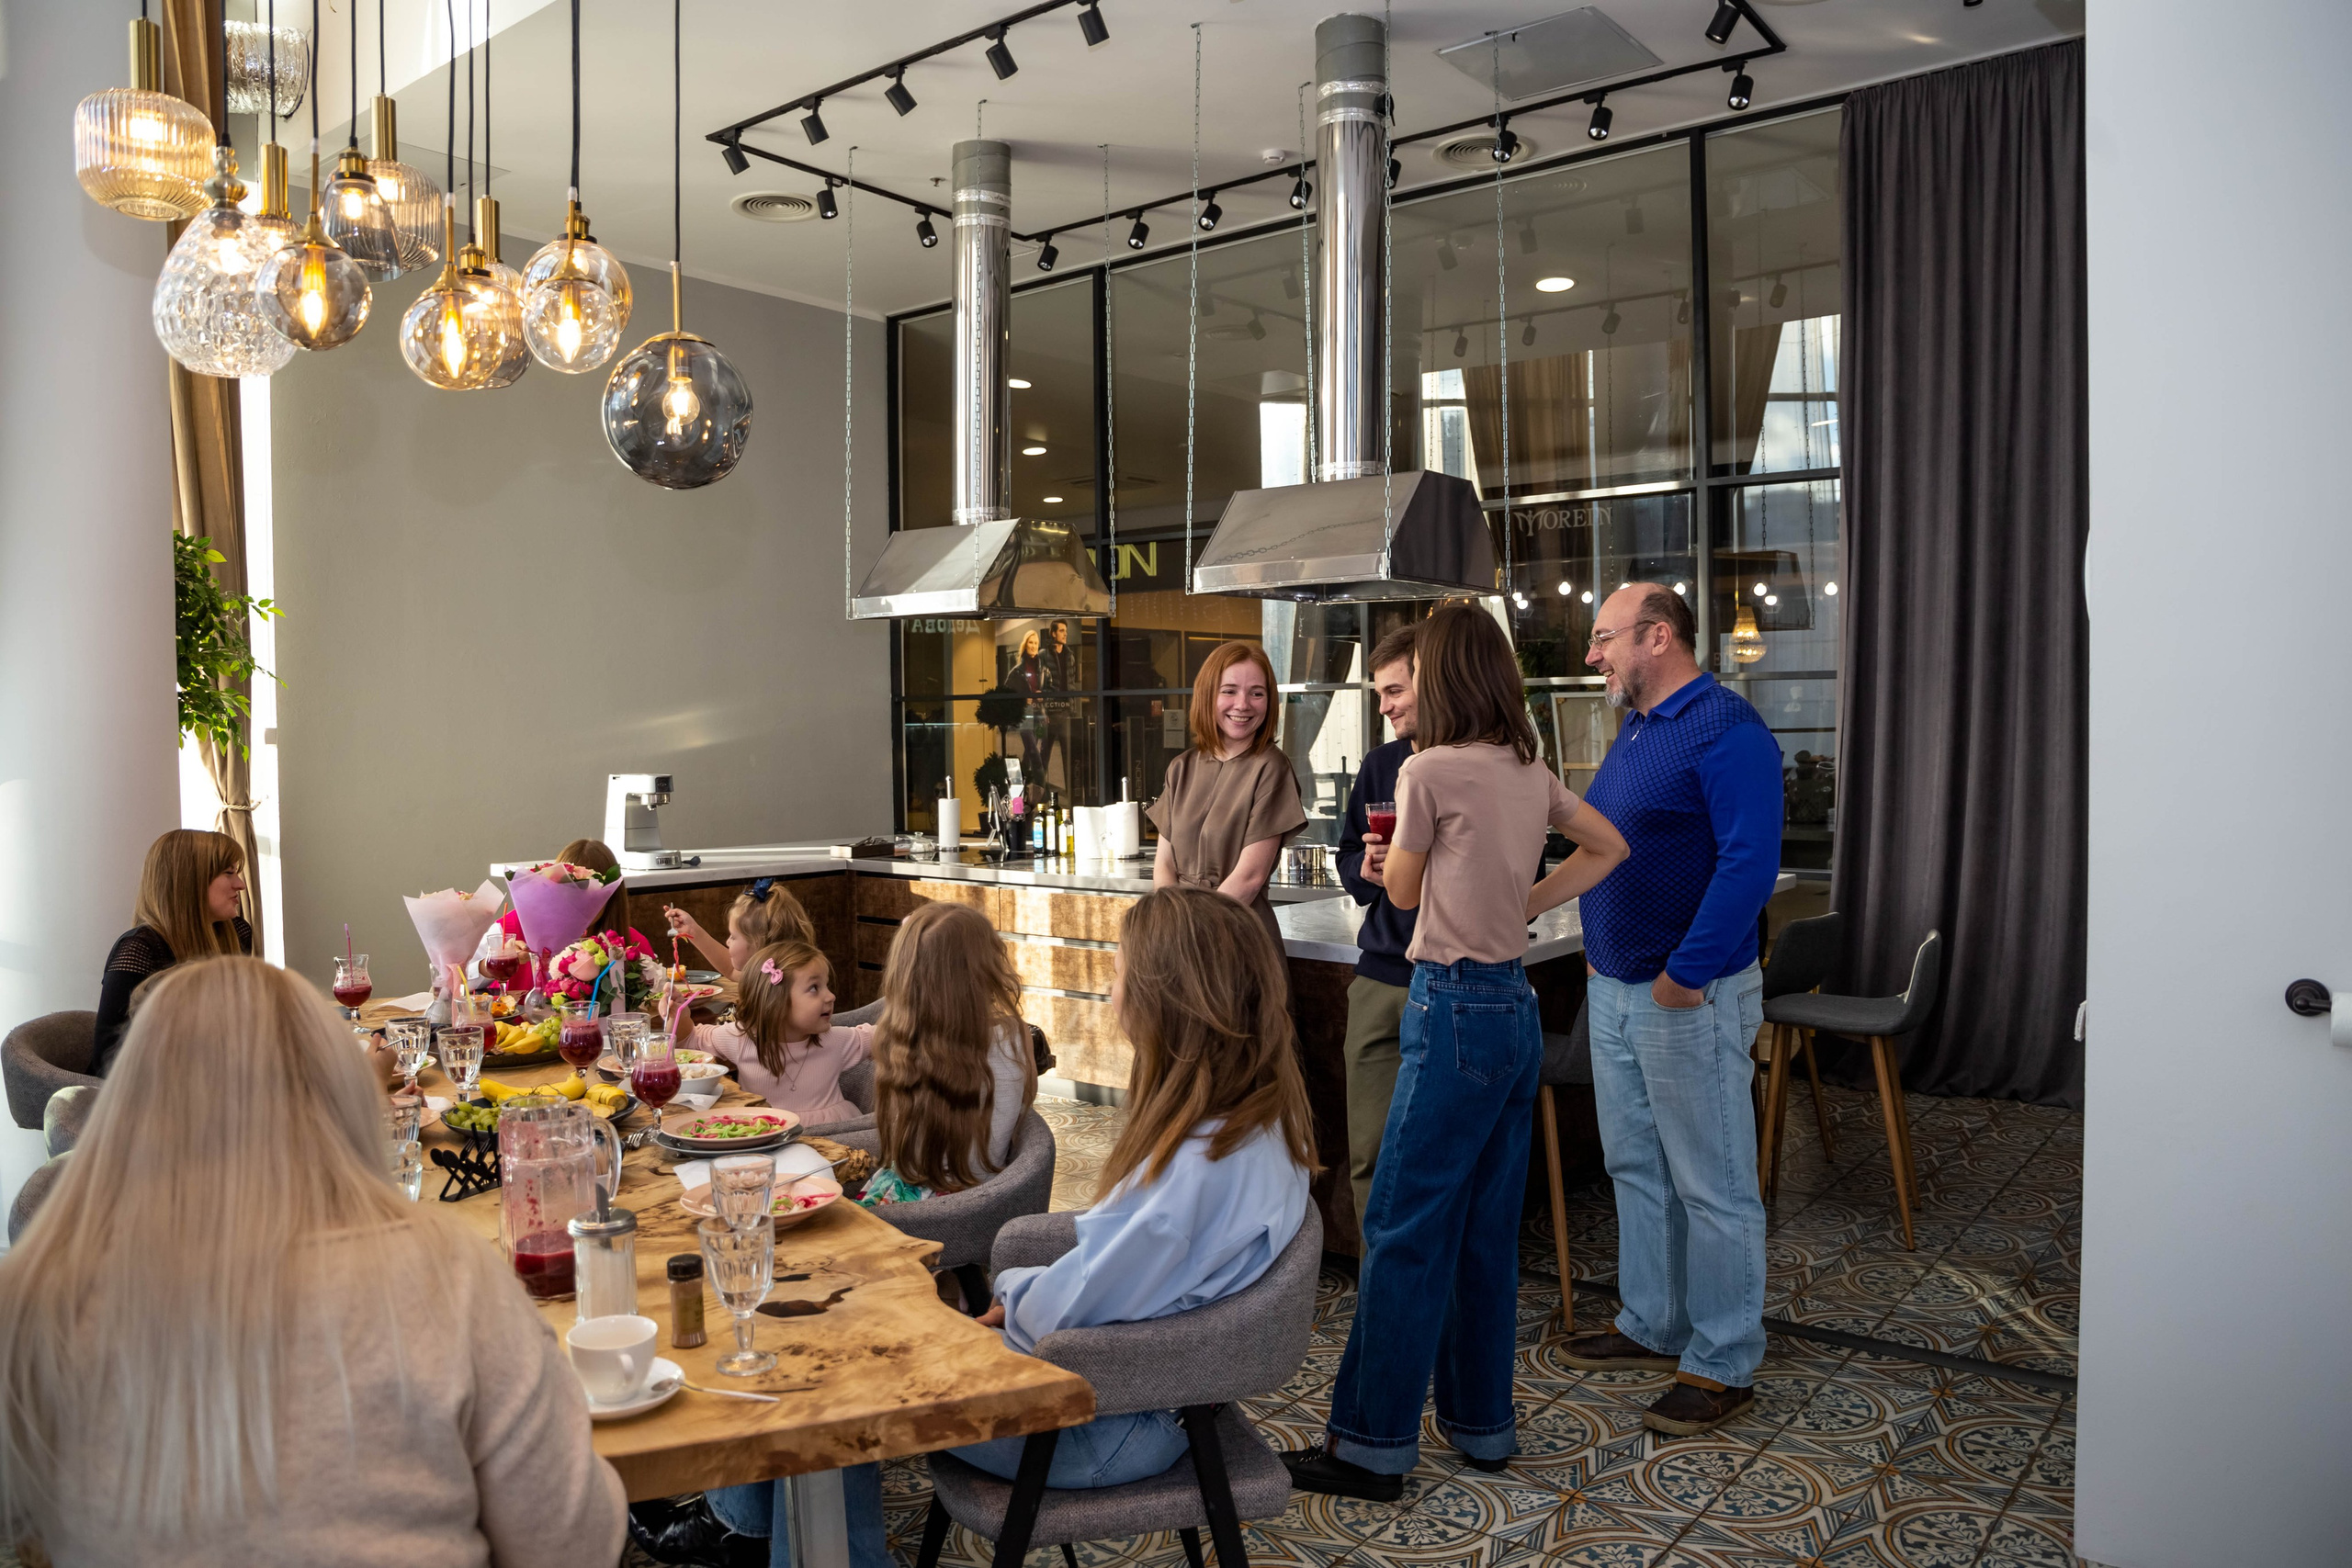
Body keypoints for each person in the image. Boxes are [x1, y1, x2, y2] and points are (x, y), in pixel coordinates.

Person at [0, 956, 627, 1567]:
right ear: (335, 1091)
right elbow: (573, 1544)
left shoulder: (31, 1298)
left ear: (130, 1103)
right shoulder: (446, 1275)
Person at [1289, 604, 1629, 1499]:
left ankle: (1368, 1447)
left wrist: (1403, 856)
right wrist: (1523, 900)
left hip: (1448, 1008)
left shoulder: (1428, 770)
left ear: (1443, 678)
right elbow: (1609, 846)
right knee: (1483, 1234)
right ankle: (1483, 1426)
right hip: (1513, 1008)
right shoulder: (1526, 768)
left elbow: (1399, 889)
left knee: (1402, 1227)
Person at [695, 902, 1038, 1568]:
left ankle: (753, 1516)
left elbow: (916, 1158)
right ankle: (752, 1512)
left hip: (932, 1212)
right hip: (933, 1198)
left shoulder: (926, 1041)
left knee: (773, 1287)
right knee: (766, 1261)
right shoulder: (996, 1038)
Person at [956, 885, 1316, 1488]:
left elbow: (1084, 1299)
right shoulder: (1255, 1120)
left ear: (1163, 1002)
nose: (1110, 992)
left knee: (857, 1398)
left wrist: (1013, 1295)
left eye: (1119, 975)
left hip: (1101, 1425)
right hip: (1154, 1395)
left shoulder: (1198, 1167)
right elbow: (1115, 1271)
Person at [1560, 582, 1784, 1436]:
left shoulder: (1729, 728)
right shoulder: (1638, 728)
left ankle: (1723, 1360)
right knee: (1636, 1165)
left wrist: (1685, 973)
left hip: (1688, 994)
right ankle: (1653, 1321)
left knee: (1713, 1183)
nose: (1593, 655)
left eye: (1604, 637)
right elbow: (1610, 844)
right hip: (1616, 987)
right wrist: (1598, 941)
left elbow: (1748, 863)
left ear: (1658, 636)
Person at [1333, 622, 1425, 1227]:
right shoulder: (1380, 764)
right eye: (1379, 695)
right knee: (1368, 1154)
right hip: (1378, 979)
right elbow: (1349, 857)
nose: (1385, 707)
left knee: (1430, 1161)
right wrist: (1365, 870)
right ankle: (1377, 1278)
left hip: (1447, 979)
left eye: (1395, 691)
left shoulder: (1475, 765)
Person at [860, 901, 1038, 1205]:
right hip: (983, 1199)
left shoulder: (898, 1038)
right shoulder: (1015, 1034)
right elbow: (1026, 1101)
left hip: (905, 1199)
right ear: (986, 970)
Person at [1148, 639, 1306, 951]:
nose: (1243, 704)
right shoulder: (1181, 767)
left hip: (1237, 934)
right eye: (1229, 691)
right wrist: (1171, 929)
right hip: (1178, 936)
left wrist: (1193, 937)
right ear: (1208, 695)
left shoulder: (1272, 768)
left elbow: (1249, 878)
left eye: (1256, 693)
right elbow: (1164, 865)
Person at [91, 829, 253, 1075]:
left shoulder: (238, 933)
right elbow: (109, 1059)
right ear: (190, 880)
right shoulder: (139, 949)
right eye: (229, 873)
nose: (240, 884)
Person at [668, 940, 869, 1125]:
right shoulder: (742, 1038)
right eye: (814, 988)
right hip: (761, 1135)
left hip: (833, 1135)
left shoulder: (837, 1040)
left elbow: (885, 1038)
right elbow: (690, 1040)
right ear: (776, 1002)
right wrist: (680, 1015)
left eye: (827, 985)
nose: (831, 996)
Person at [661, 876, 818, 982]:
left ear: (759, 945)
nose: (727, 942)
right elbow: (731, 970)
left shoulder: (785, 987)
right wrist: (692, 930)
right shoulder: (764, 977)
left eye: (733, 936)